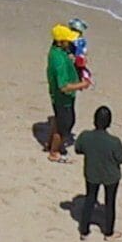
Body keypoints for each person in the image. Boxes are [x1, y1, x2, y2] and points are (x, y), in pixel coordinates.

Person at [72, 104, 122, 239]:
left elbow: (78, 149)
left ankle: (84, 230)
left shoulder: (85, 136)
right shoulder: (114, 142)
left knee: (90, 199)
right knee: (110, 203)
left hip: (92, 173)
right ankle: (108, 232)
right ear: (109, 123)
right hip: (111, 176)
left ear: (94, 120)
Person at [42, 22, 92, 162]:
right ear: (61, 42)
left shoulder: (56, 51)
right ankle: (54, 152)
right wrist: (82, 84)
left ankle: (50, 144)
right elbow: (63, 86)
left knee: (59, 120)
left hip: (59, 96)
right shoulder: (60, 61)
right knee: (66, 124)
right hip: (62, 97)